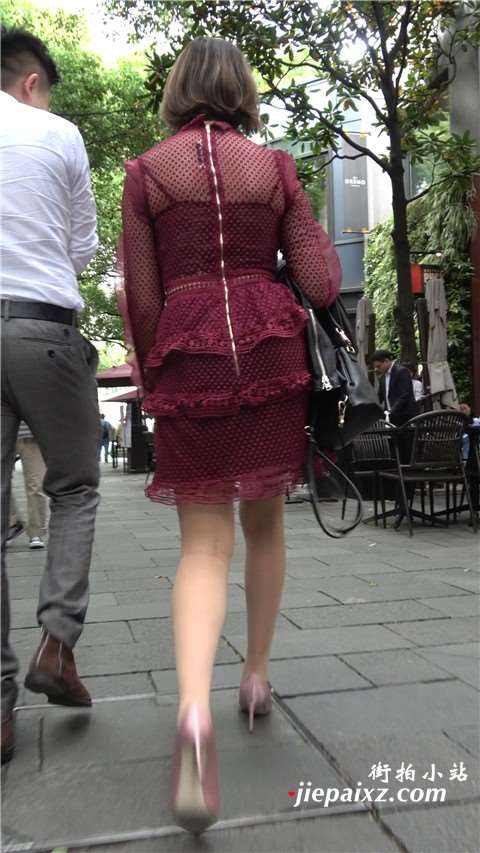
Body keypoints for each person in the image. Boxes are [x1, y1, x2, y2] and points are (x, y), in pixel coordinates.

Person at [119, 37, 341, 833]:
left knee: (203, 547)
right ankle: (254, 674)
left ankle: (192, 709)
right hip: (271, 349)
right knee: (266, 523)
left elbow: (141, 298)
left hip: (191, 355)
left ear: (179, 90)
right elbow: (320, 281)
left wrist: (155, 374)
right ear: (242, 89)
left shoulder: (147, 174)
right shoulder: (274, 167)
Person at [1, 28, 100, 766]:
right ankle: (56, 645)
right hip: (43, 329)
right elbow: (82, 248)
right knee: (74, 486)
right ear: (32, 81)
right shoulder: (58, 133)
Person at [9, 422, 48, 549]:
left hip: (33, 433)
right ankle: (12, 523)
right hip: (4, 431)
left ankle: (36, 532)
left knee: (36, 484)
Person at [372, 350, 418, 427]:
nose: (376, 369)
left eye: (378, 366)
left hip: (405, 417)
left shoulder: (402, 372)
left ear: (386, 361)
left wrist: (391, 411)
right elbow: (380, 397)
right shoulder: (382, 378)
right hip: (391, 418)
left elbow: (404, 395)